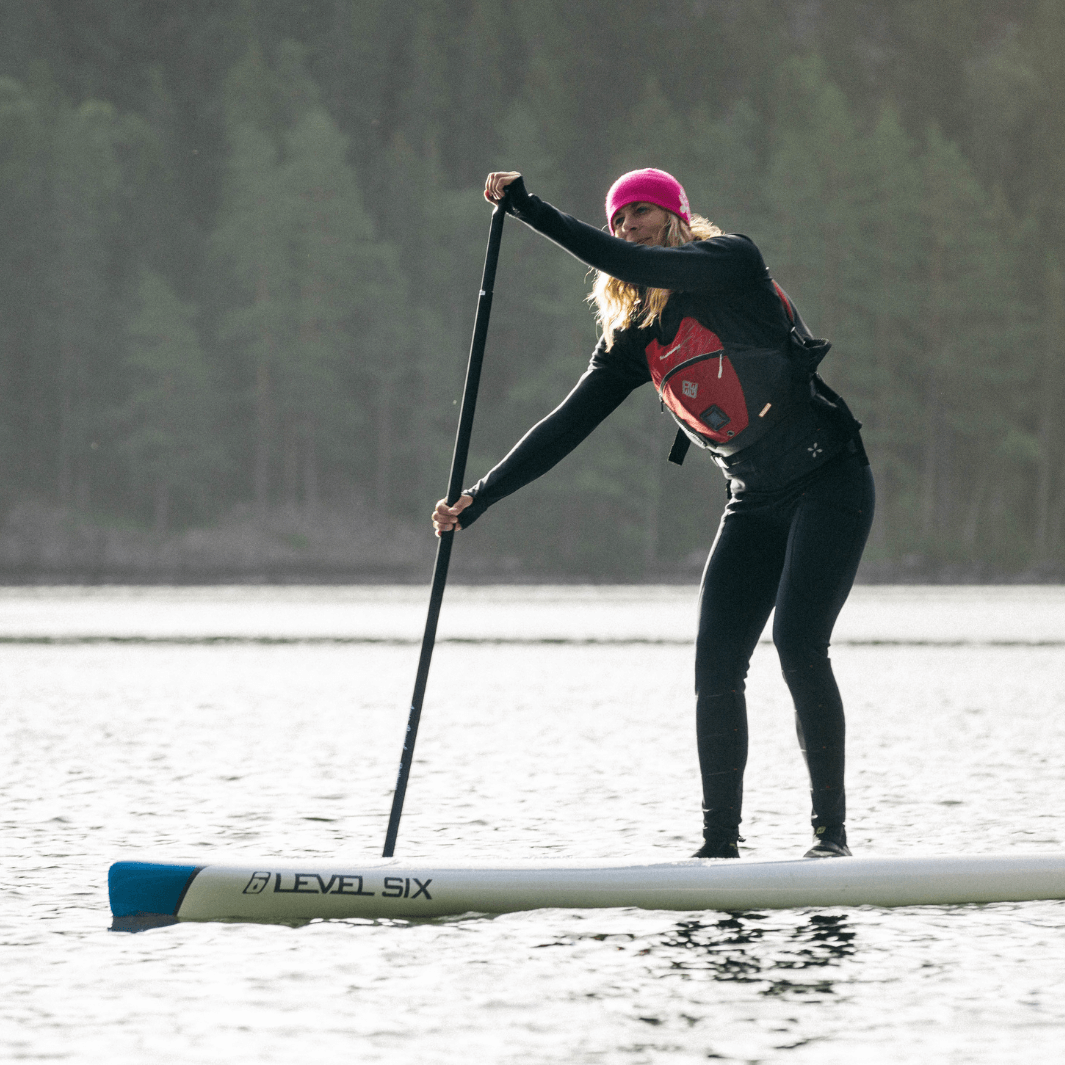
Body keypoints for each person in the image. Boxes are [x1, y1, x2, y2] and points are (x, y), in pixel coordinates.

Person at [432, 168, 874, 859]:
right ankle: (718, 848)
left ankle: (830, 840)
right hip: (753, 499)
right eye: (616, 218)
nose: (627, 226)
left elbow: (631, 264)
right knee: (715, 666)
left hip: (828, 478)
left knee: (796, 643)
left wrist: (527, 210)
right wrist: (478, 498)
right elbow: (564, 426)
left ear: (674, 217)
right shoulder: (635, 337)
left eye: (640, 212)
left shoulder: (730, 262)